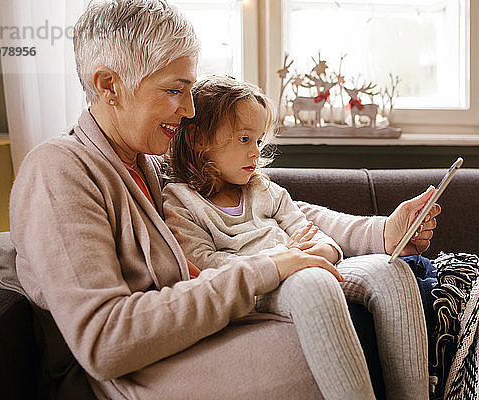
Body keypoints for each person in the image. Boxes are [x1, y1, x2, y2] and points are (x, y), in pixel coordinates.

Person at [9, 1, 439, 399]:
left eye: (191, 89)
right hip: (144, 374)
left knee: (389, 275)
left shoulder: (150, 166)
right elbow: (105, 342)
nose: (191, 109)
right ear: (109, 86)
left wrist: (381, 231)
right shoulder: (59, 170)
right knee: (322, 330)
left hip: (201, 335)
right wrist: (268, 268)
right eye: (175, 90)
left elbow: (279, 206)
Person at [162, 75, 440, 400]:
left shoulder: (265, 190)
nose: (255, 153)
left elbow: (323, 242)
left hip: (302, 265)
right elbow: (205, 266)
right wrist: (279, 262)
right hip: (257, 286)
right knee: (312, 282)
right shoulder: (181, 201)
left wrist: (317, 251)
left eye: (259, 141)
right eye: (243, 139)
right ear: (198, 138)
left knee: (390, 271)